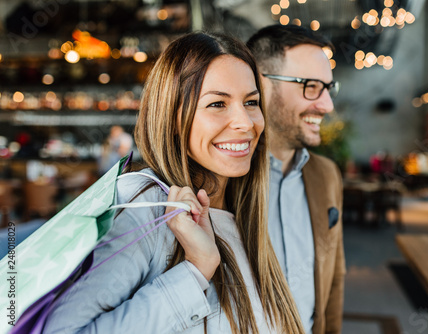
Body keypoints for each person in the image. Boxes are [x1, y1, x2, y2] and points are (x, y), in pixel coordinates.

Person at [43, 32, 304, 334]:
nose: (246, 123)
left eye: (251, 102)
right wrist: (194, 272)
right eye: (218, 104)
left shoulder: (246, 211)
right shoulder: (144, 206)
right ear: (173, 118)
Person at [247, 25, 346, 334]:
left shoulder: (327, 175)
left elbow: (335, 276)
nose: (327, 105)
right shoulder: (221, 180)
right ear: (261, 85)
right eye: (311, 86)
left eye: (328, 88)